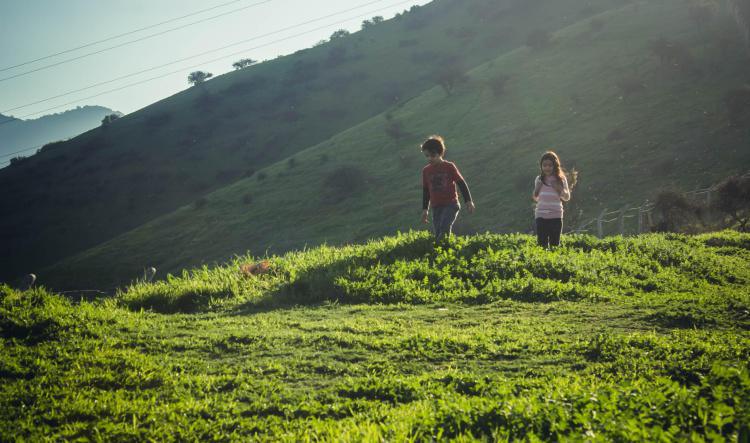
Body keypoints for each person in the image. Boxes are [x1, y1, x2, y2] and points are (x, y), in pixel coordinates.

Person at [420, 135, 475, 240]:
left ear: (440, 153)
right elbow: (426, 191)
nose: (429, 158)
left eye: (432, 155)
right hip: (436, 207)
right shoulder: (426, 171)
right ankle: (442, 252)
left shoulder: (449, 167)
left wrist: (468, 201)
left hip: (451, 204)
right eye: (427, 156)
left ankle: (443, 247)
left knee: (444, 227)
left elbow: (461, 183)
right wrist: (425, 209)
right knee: (438, 232)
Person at [533, 151, 572, 248]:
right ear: (541, 166)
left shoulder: (561, 179)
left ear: (555, 165)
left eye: (550, 165)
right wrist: (537, 188)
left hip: (556, 216)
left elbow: (567, 197)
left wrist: (559, 189)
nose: (547, 168)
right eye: (544, 165)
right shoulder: (539, 179)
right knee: (541, 245)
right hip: (541, 216)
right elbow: (536, 197)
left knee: (555, 245)